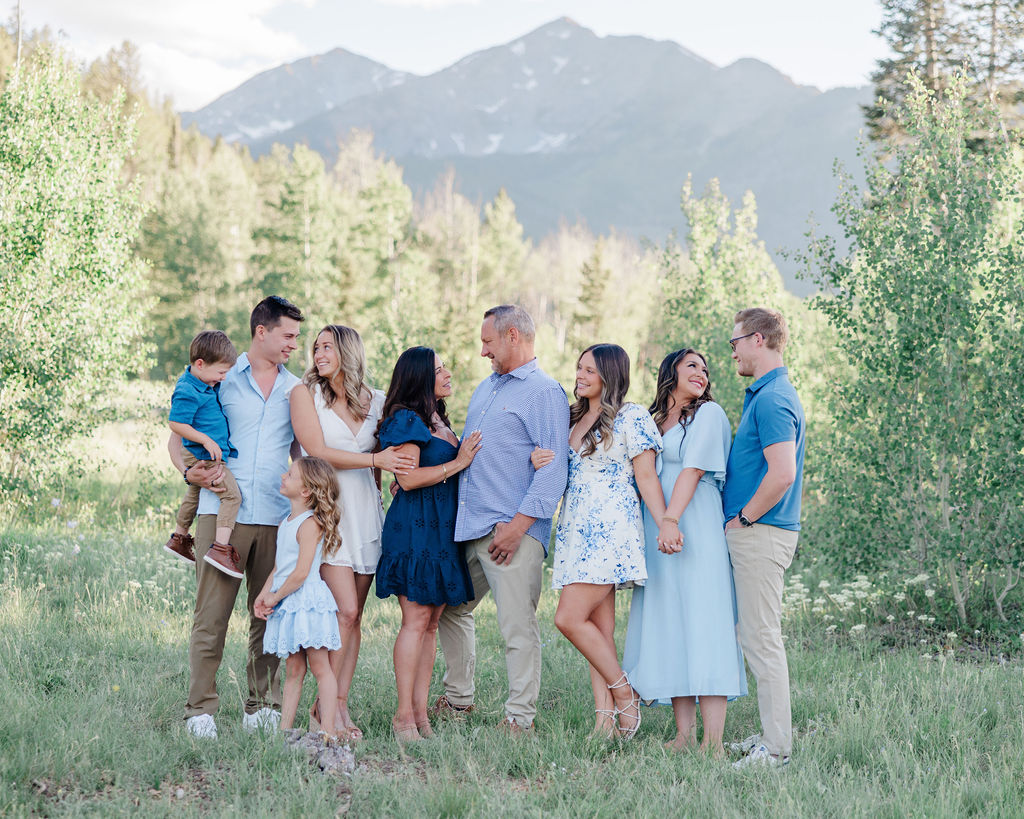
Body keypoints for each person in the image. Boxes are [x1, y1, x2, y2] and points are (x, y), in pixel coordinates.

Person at [168, 295, 304, 740]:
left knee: (268, 614)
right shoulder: (220, 377)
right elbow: (176, 436)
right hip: (219, 515)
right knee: (211, 616)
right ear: (261, 332)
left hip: (276, 516)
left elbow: (302, 453)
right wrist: (191, 472)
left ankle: (262, 704)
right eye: (287, 336)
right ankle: (200, 709)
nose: (293, 345)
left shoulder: (295, 389)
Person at [434, 305, 569, 735]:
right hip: (470, 528)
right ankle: (458, 699)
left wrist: (517, 527)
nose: (482, 352)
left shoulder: (545, 392)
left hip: (513, 530)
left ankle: (520, 718)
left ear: (513, 335)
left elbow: (554, 470)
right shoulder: (486, 390)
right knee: (450, 609)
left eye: (488, 342)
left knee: (516, 626)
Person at [290, 324, 416, 740]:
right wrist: (377, 462)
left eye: (327, 346)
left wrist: (395, 475)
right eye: (315, 347)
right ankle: (320, 707)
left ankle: (339, 705)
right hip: (328, 511)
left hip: (366, 513)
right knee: (342, 612)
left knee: (355, 616)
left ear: (348, 351)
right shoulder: (304, 396)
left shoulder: (377, 400)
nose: (318, 352)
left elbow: (396, 450)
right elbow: (317, 452)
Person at [621, 348, 747, 756]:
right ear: (670, 371)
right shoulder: (655, 423)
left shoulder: (708, 415)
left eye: (706, 369)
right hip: (660, 530)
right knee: (670, 622)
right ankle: (683, 734)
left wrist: (671, 521)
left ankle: (713, 741)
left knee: (704, 621)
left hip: (694, 524)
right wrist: (661, 525)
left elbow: (692, 470)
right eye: (692, 365)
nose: (702, 373)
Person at [543, 344, 666, 739]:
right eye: (579, 368)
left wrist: (666, 522)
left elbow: (646, 478)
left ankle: (625, 695)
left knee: (568, 618)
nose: (580, 376)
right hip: (576, 532)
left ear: (609, 375)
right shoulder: (573, 416)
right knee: (599, 628)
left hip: (611, 532)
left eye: (589, 370)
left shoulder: (631, 416)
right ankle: (604, 721)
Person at [374, 347, 482, 742]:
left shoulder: (438, 418)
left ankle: (421, 715)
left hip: (442, 529)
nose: (448, 373)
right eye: (438, 370)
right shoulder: (407, 418)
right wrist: (459, 463)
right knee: (416, 621)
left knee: (432, 624)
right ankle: (403, 717)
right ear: (421, 377)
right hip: (415, 529)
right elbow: (407, 478)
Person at [722, 308, 806, 768]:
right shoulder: (765, 395)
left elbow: (783, 474)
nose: (731, 350)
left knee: (762, 638)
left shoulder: (773, 399)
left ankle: (776, 750)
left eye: (734, 341)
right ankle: (770, 736)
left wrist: (744, 519)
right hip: (759, 533)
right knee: (753, 635)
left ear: (757, 340)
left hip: (762, 533)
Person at [255, 457, 343, 738]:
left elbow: (301, 572)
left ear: (306, 491)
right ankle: (285, 731)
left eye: (290, 474)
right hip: (289, 602)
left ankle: (327, 731)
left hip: (306, 602)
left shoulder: (309, 524)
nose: (284, 475)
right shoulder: (286, 523)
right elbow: (280, 568)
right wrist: (264, 595)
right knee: (293, 667)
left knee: (320, 666)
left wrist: (276, 596)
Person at [165, 330, 243, 572]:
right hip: (205, 456)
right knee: (232, 497)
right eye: (220, 373)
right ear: (200, 364)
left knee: (193, 494)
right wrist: (206, 440)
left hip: (201, 453)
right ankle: (220, 549)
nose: (222, 378)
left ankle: (179, 538)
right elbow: (176, 423)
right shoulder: (187, 390)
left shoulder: (202, 382)